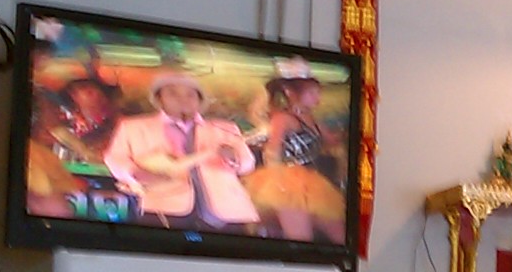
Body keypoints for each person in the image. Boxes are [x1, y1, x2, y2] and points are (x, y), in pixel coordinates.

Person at [103, 72, 259, 230]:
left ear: (199, 100)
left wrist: (233, 157)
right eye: (173, 93)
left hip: (228, 212)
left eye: (190, 94)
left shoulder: (225, 128)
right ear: (159, 99)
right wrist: (135, 173)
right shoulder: (133, 127)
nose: (182, 99)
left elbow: (248, 164)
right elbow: (115, 158)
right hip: (163, 208)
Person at [241, 70, 347, 243]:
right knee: (300, 238)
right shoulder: (283, 118)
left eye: (318, 92)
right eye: (312, 92)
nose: (317, 97)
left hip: (313, 184)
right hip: (287, 182)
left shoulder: (312, 119)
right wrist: (279, 182)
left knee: (340, 236)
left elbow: (332, 140)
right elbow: (272, 150)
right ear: (291, 93)